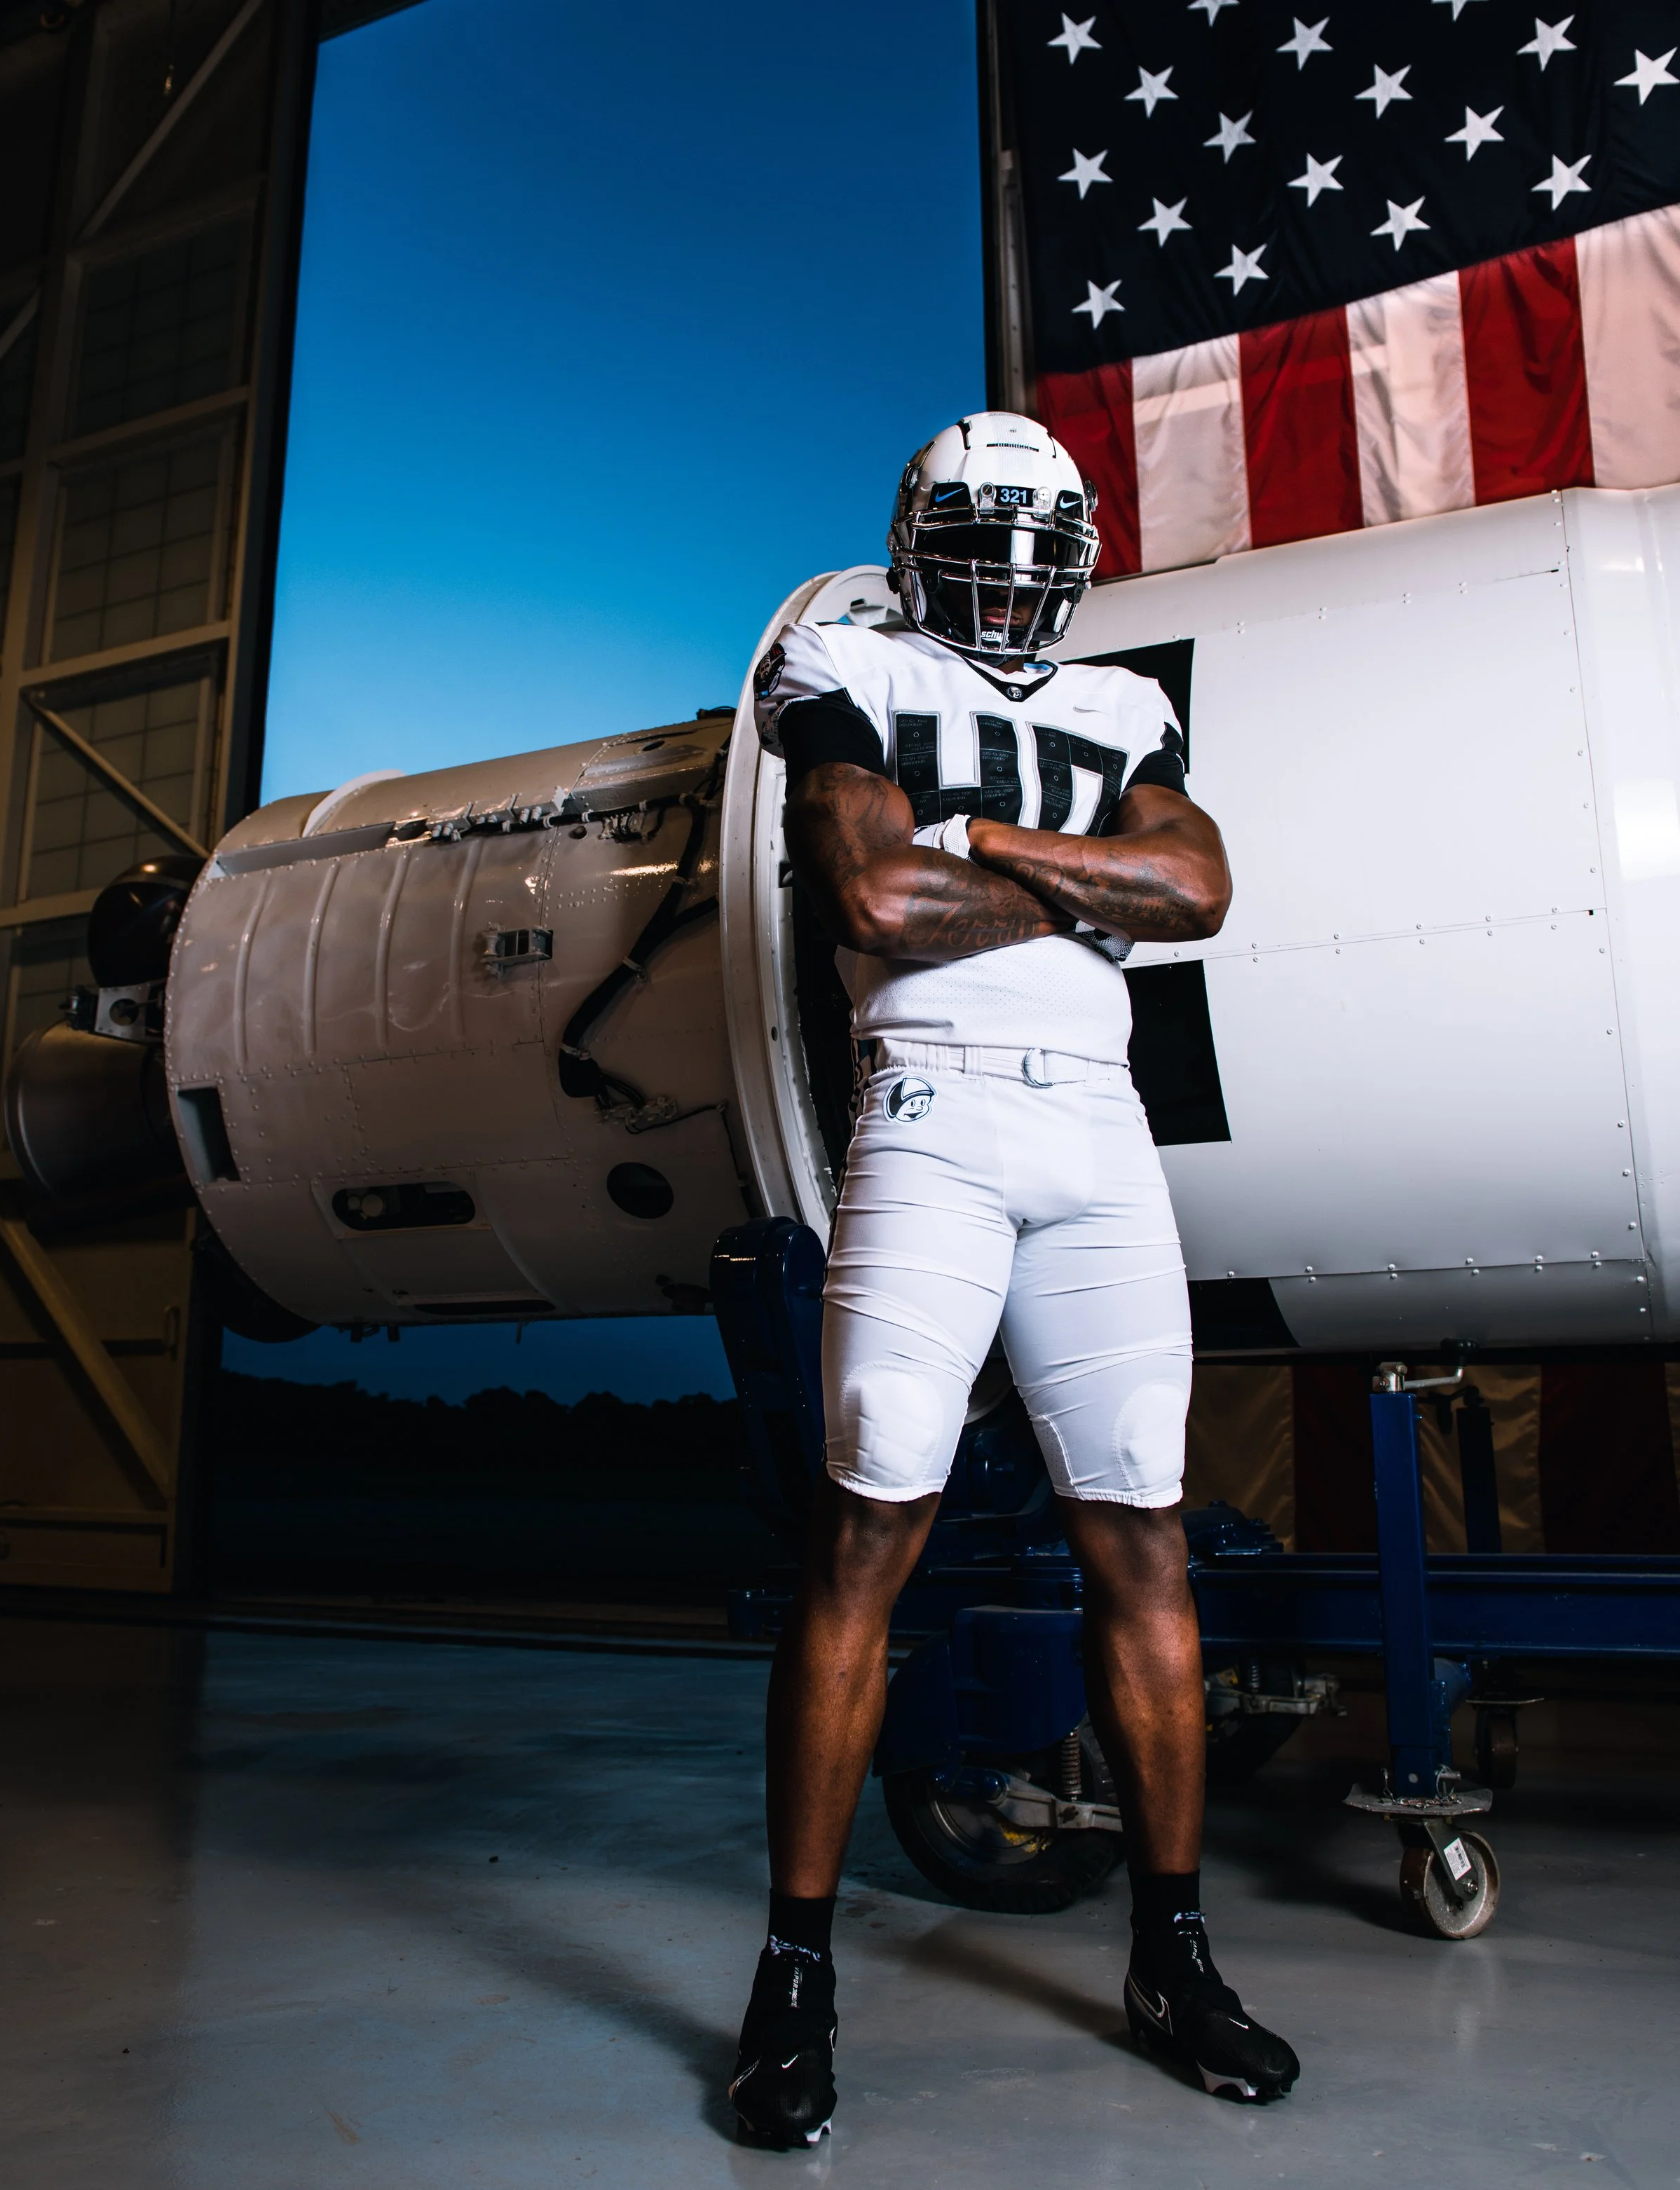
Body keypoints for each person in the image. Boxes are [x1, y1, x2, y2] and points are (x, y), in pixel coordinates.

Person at [727, 412, 1299, 2146]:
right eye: (975, 536)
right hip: (931, 1114)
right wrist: (1078, 893)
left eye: (1035, 540)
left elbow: (1194, 881)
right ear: (914, 539)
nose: (1008, 570)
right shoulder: (838, 663)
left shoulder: (1122, 705)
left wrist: (984, 850)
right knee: (868, 1521)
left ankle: (1170, 1947)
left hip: (1098, 1139)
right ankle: (795, 1969)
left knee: (1138, 1528)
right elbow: (874, 901)